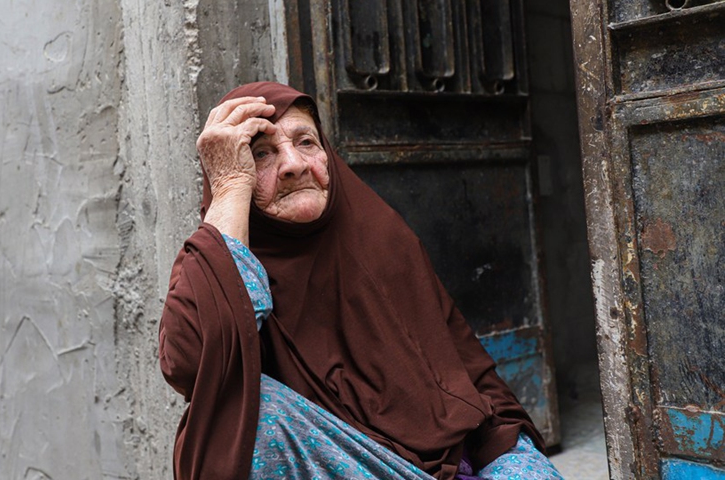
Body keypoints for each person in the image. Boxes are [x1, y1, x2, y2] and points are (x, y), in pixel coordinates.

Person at [159, 82, 564, 480]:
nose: (294, 165)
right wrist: (229, 191)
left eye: (306, 143)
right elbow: (192, 364)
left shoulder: (379, 236)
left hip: (453, 466)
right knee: (243, 414)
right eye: (261, 154)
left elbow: (473, 378)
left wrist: (514, 463)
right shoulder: (219, 257)